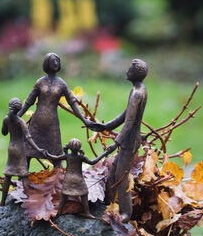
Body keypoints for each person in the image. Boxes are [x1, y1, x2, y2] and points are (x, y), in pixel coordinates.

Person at [92, 58, 148, 219]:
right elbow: (125, 115)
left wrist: (116, 143)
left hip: (130, 140)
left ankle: (126, 213)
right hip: (129, 138)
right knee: (113, 172)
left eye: (130, 69)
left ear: (136, 73)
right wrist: (105, 126)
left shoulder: (137, 93)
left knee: (121, 176)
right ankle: (106, 203)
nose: (126, 71)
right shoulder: (138, 89)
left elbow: (129, 122)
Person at [18, 52, 94, 162]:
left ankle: (58, 173)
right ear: (46, 63)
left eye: (57, 61)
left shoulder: (62, 84)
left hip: (52, 124)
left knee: (56, 154)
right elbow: (29, 102)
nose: (55, 63)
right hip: (37, 123)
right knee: (28, 152)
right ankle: (23, 173)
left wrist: (84, 119)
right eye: (53, 61)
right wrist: (17, 115)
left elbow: (72, 103)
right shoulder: (40, 82)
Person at [40, 138, 114, 218]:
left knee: (64, 196)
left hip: (68, 178)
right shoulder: (81, 157)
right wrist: (105, 153)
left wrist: (46, 153)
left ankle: (59, 211)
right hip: (79, 179)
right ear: (79, 147)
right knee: (84, 194)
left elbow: (54, 157)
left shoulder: (67, 156)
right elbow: (93, 162)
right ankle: (87, 212)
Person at [0, 97, 32, 206]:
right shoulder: (20, 121)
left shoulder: (6, 119)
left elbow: (4, 132)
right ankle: (30, 202)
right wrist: (38, 148)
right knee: (23, 174)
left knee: (8, 174)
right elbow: (28, 137)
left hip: (11, 148)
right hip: (20, 149)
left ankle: (2, 202)